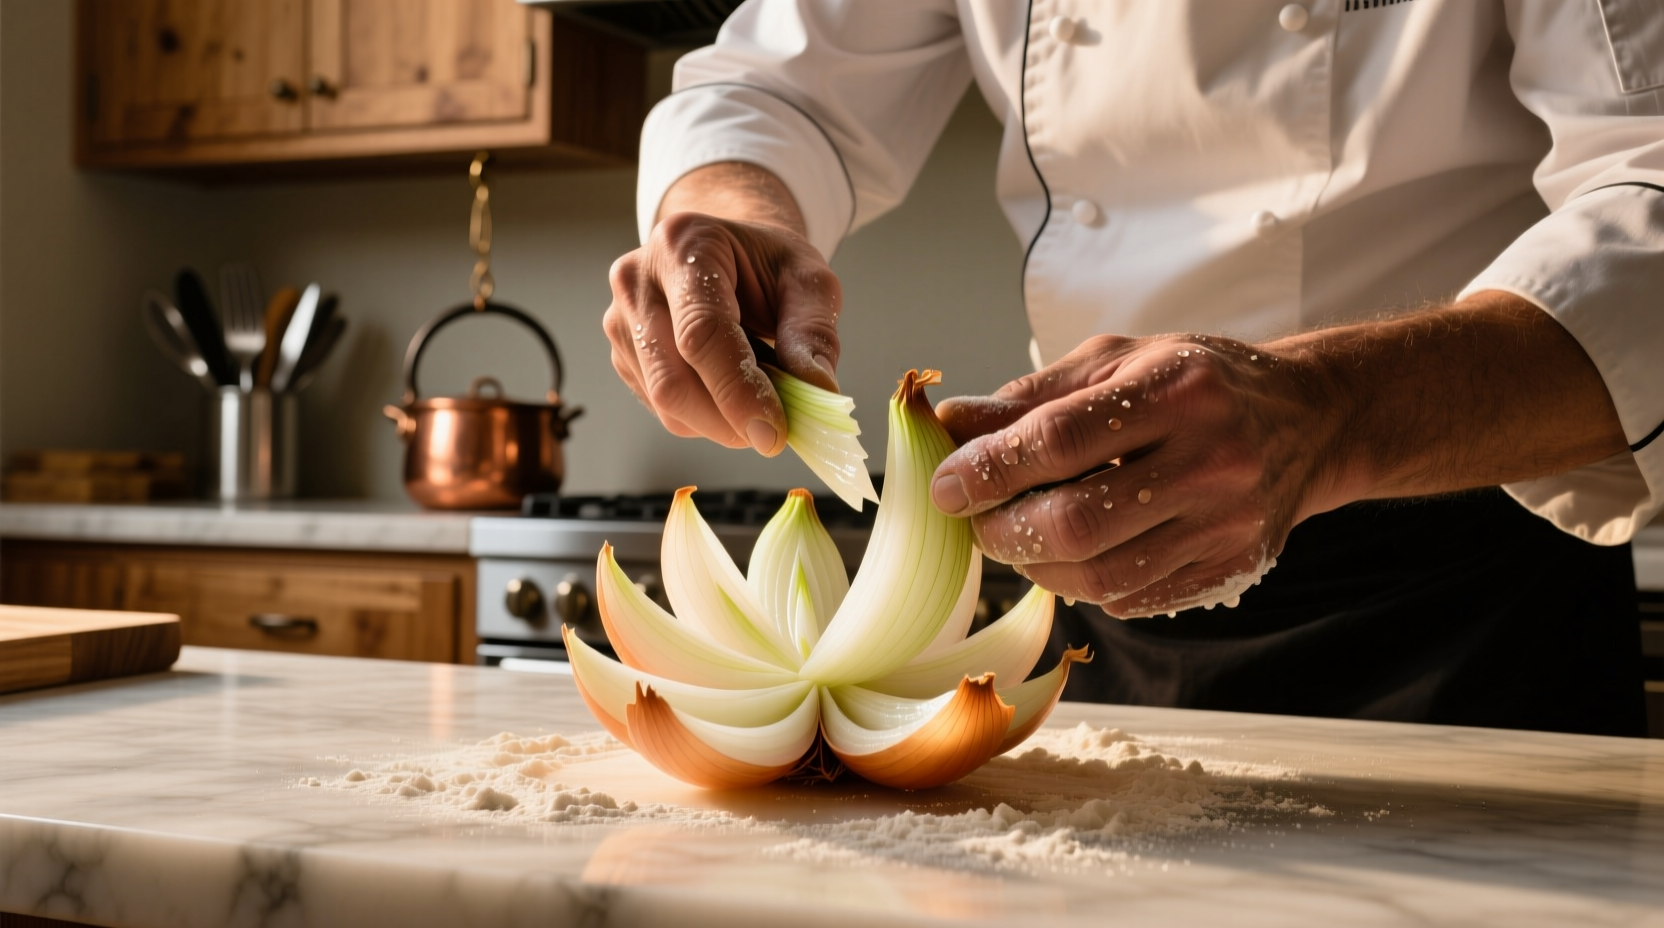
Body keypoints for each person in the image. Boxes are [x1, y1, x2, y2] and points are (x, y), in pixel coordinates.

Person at [602, 1, 1663, 736]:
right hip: (1095, 580)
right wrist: (726, 215)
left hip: (1464, 594)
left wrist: (1329, 411)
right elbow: (779, 85)